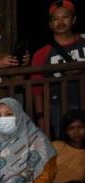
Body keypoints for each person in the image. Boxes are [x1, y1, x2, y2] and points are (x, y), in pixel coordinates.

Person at [32, 0, 85, 137]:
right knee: (66, 148)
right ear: (50, 24)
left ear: (73, 20)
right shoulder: (41, 53)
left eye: (65, 17)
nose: (60, 22)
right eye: (56, 19)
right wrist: (41, 118)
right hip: (59, 108)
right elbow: (37, 89)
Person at [51, 109, 85, 183]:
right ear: (66, 131)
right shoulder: (56, 146)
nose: (76, 132)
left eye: (80, 127)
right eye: (71, 128)